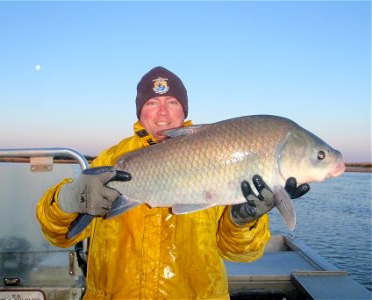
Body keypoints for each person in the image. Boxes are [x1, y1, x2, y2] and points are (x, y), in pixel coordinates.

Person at [36, 66, 309, 300]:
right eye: (152, 103)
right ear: (140, 111)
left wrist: (242, 221)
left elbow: (240, 254)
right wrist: (68, 199)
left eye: (172, 103)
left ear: (184, 110)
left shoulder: (219, 154)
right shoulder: (112, 159)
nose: (162, 113)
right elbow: (60, 235)